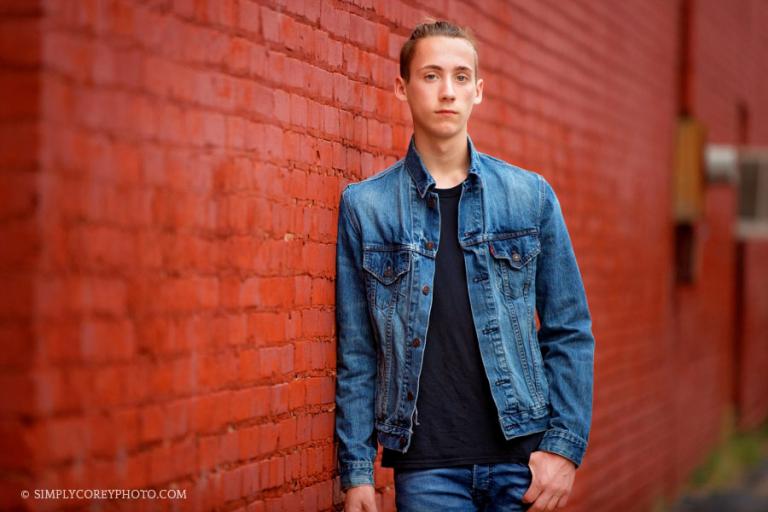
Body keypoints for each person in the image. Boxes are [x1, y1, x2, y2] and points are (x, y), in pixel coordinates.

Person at [334, 19, 595, 512]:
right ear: (401, 88)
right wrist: (358, 474)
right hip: (428, 470)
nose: (446, 92)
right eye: (431, 76)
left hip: (522, 465)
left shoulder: (529, 197)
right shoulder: (366, 208)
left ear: (479, 91)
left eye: (460, 77)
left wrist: (562, 448)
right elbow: (358, 353)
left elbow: (569, 329)